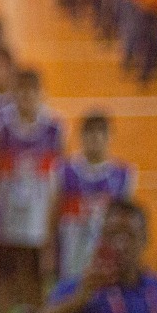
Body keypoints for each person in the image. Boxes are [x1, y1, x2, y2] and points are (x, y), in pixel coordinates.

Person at [0, 69, 64, 313]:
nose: (26, 98)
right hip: (6, 218)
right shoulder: (1, 127)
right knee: (3, 278)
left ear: (39, 94)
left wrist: (51, 221)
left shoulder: (53, 128)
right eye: (22, 91)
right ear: (14, 93)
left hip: (37, 221)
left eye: (32, 92)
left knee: (35, 279)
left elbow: (59, 176)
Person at [55, 112, 135, 285]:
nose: (96, 138)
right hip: (71, 250)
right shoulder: (65, 170)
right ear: (81, 136)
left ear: (110, 137)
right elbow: (54, 211)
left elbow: (126, 220)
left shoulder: (123, 175)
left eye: (101, 132)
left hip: (106, 253)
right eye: (91, 132)